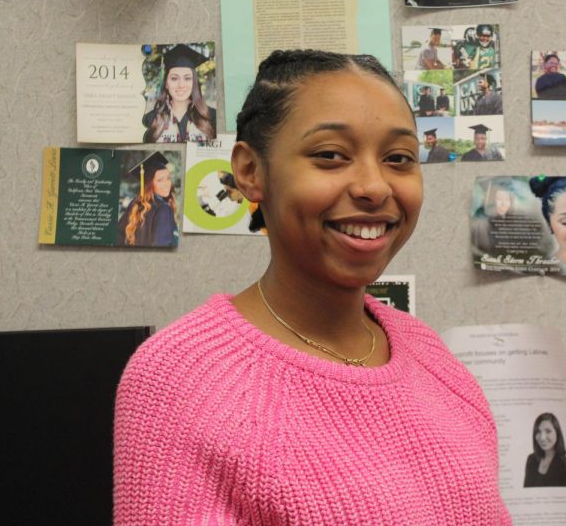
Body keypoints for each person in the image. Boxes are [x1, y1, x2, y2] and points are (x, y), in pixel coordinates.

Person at [113, 50, 510, 524]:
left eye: (399, 158)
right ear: (249, 172)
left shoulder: (431, 356)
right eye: (330, 156)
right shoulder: (181, 378)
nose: (374, 187)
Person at [143, 45, 217, 143]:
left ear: (193, 83)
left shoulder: (211, 117)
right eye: (174, 78)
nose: (181, 85)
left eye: (187, 78)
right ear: (166, 84)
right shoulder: (151, 119)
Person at [116, 151, 178, 247]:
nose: (167, 184)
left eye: (168, 178)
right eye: (160, 180)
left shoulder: (135, 205)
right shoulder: (163, 209)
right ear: (150, 185)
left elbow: (117, 237)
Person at [523, 413, 566, 487]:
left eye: (548, 431)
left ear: (557, 433)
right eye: (538, 431)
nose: (542, 438)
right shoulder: (531, 460)